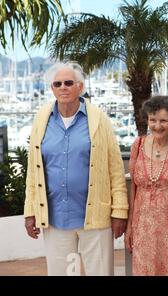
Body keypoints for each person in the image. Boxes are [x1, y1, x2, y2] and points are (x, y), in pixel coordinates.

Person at [24, 61, 128, 276]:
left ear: (80, 87)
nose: (63, 87)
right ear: (52, 88)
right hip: (56, 219)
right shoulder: (41, 120)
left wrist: (119, 211)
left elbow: (115, 169)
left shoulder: (99, 119)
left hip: (95, 218)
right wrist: (30, 212)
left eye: (69, 82)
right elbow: (33, 172)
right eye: (57, 83)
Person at [125, 96, 168, 276]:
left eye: (163, 120)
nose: (157, 126)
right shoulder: (137, 144)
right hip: (143, 228)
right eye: (152, 120)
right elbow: (134, 187)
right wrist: (130, 226)